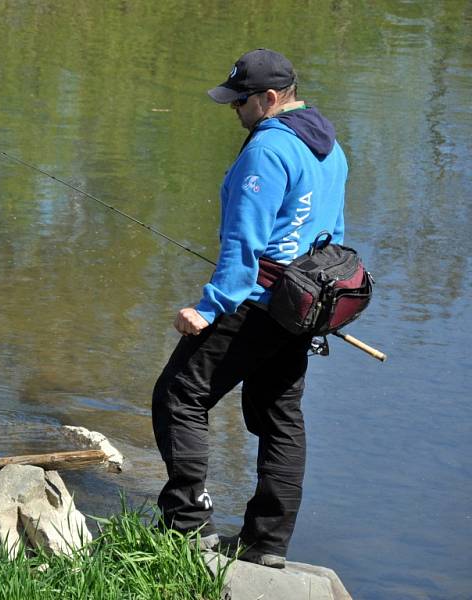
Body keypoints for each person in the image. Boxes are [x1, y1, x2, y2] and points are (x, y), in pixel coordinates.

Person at [151, 48, 348, 568]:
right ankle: (267, 545)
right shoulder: (330, 147)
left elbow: (245, 241)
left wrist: (210, 307)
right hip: (304, 306)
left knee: (179, 395)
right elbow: (334, 238)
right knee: (279, 417)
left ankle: (187, 527)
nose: (233, 109)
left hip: (255, 303)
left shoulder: (267, 150)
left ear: (268, 98)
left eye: (240, 101)